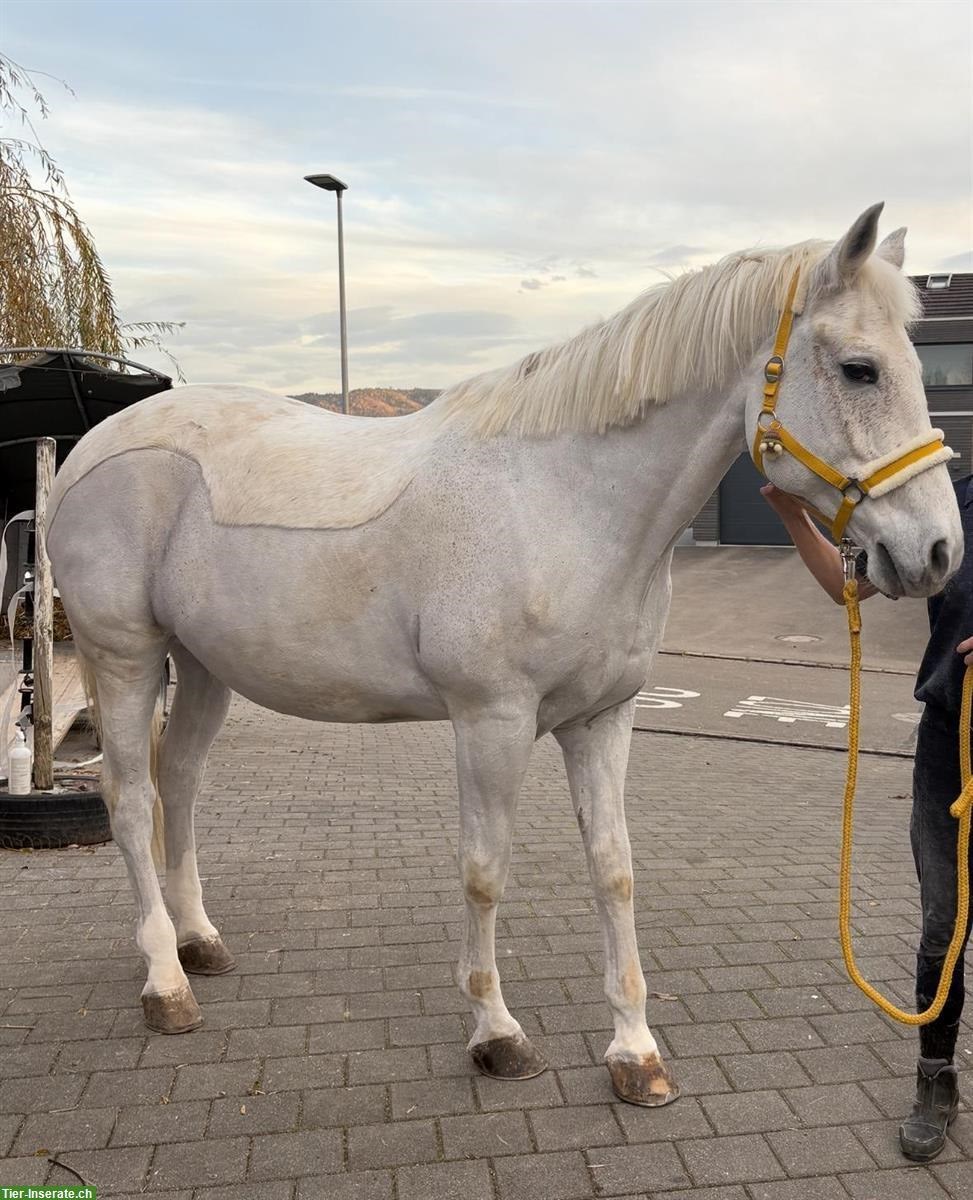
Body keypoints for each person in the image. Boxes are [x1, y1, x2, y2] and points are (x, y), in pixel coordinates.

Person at [762, 479, 973, 1163]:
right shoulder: (949, 504)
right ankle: (935, 1079)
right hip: (950, 743)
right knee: (943, 923)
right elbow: (847, 588)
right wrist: (793, 516)